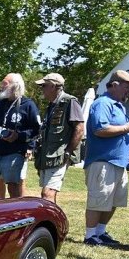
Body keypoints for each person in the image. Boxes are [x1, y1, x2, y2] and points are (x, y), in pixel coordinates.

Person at [82, 70, 129, 246]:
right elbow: (100, 129)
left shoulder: (118, 105)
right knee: (99, 199)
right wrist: (127, 127)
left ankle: (101, 232)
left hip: (117, 162)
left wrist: (126, 127)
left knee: (114, 200)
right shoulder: (102, 103)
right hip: (102, 161)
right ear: (114, 85)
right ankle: (90, 235)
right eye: (126, 87)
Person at [0, 73, 40, 198]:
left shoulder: (28, 105)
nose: (1, 86)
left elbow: (36, 129)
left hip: (13, 153)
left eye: (4, 83)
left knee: (13, 186)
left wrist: (18, 136)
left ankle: (17, 212)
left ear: (14, 86)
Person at [34, 73, 85, 204]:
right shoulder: (52, 105)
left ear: (53, 86)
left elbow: (79, 128)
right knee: (46, 193)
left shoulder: (69, 101)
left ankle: (51, 223)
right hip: (48, 155)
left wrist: (68, 151)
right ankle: (54, 222)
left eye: (44, 86)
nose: (42, 89)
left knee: (48, 193)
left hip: (60, 155)